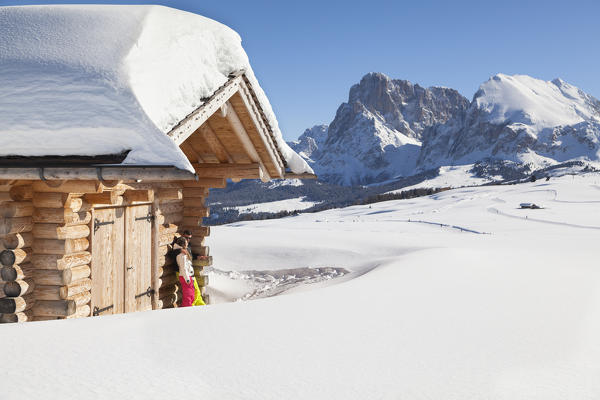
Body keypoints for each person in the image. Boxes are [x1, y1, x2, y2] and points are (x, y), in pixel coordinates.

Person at [174, 236, 195, 307]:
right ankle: (186, 310)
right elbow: (183, 268)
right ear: (183, 245)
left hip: (188, 276)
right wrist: (187, 279)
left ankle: (189, 308)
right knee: (188, 296)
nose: (187, 245)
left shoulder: (184, 253)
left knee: (192, 295)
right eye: (186, 243)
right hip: (185, 277)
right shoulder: (181, 255)